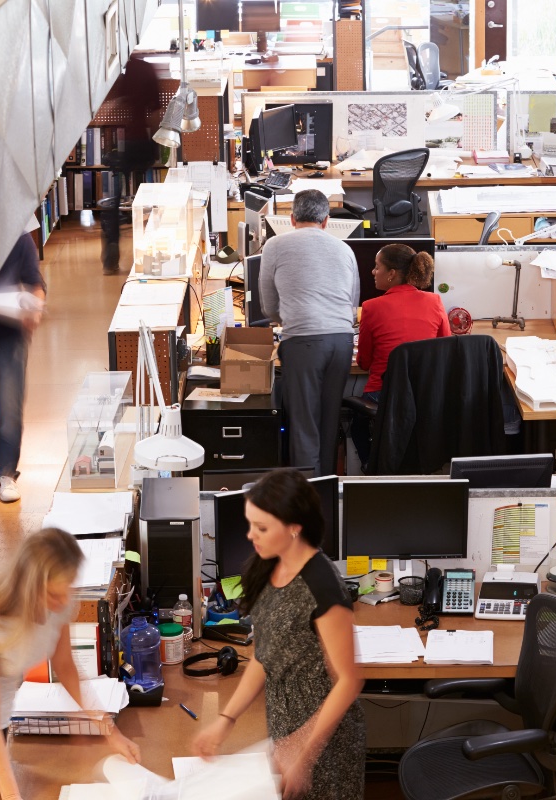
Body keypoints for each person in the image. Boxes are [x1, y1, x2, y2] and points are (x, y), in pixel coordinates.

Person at [193, 469, 365, 800]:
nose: (250, 535)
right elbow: (265, 654)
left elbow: (349, 681)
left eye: (261, 527)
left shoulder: (323, 586)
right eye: (250, 525)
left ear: (293, 528)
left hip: (325, 746)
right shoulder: (267, 567)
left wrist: (303, 749)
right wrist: (226, 720)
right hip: (286, 734)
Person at [0, 528, 140, 800]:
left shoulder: (58, 601)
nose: (65, 603)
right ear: (29, 586)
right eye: (55, 594)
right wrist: (12, 794)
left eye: (69, 590)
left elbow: (65, 666)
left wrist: (110, 730)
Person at [259, 190, 359, 476]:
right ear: (326, 221)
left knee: (304, 423)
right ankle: (326, 487)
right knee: (329, 420)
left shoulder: (275, 245)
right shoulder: (345, 249)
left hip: (303, 342)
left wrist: (290, 319)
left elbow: (268, 306)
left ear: (291, 219)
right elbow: (352, 303)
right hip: (341, 342)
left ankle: (307, 496)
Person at [352, 243, 451, 468]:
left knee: (356, 424)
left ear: (392, 274)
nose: (373, 272)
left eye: (377, 267)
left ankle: (370, 467)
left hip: (383, 396)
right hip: (425, 396)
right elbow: (445, 348)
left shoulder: (371, 307)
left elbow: (364, 363)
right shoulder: (434, 301)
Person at [0, 233, 46, 503]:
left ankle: (6, 473)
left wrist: (34, 310)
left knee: (10, 406)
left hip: (10, 335)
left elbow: (35, 284)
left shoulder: (18, 239)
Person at [101, 54, 161, 274]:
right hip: (143, 144)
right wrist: (154, 143)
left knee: (116, 198)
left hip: (124, 144)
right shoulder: (149, 71)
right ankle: (150, 248)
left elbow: (115, 103)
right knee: (147, 193)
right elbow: (154, 115)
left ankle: (111, 253)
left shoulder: (125, 71)